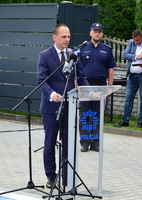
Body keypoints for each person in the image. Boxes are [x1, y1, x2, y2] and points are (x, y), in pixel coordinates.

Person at [37, 24, 89, 188]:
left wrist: (90, 91)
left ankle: (67, 176)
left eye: (68, 37)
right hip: (52, 107)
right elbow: (42, 80)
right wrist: (52, 94)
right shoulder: (45, 56)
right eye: (63, 37)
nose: (67, 40)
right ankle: (51, 177)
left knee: (68, 143)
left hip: (70, 106)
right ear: (55, 37)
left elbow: (81, 77)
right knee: (50, 142)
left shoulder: (73, 55)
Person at [79, 23, 116, 153]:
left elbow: (110, 69)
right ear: (90, 33)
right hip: (86, 85)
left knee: (97, 116)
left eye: (99, 31)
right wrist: (78, 87)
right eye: (95, 31)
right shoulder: (82, 49)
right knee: (85, 115)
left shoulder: (107, 49)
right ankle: (84, 142)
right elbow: (76, 70)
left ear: (102, 34)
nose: (97, 33)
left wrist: (110, 87)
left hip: (100, 85)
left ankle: (95, 143)